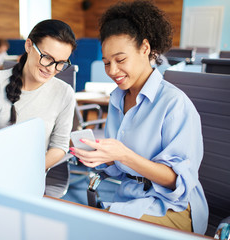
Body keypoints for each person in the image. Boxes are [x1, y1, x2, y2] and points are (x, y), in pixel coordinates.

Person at [69, 0, 208, 234]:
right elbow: (120, 169)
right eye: (106, 63)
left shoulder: (174, 103)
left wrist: (123, 154)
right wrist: (103, 158)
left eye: (120, 60)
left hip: (172, 207)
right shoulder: (117, 100)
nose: (112, 70)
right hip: (128, 199)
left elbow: (177, 182)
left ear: (145, 49)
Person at [0, 19, 77, 197]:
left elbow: (59, 146)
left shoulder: (65, 93)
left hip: (29, 179)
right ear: (28, 45)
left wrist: (27, 171)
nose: (52, 68)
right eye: (47, 57)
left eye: (61, 63)